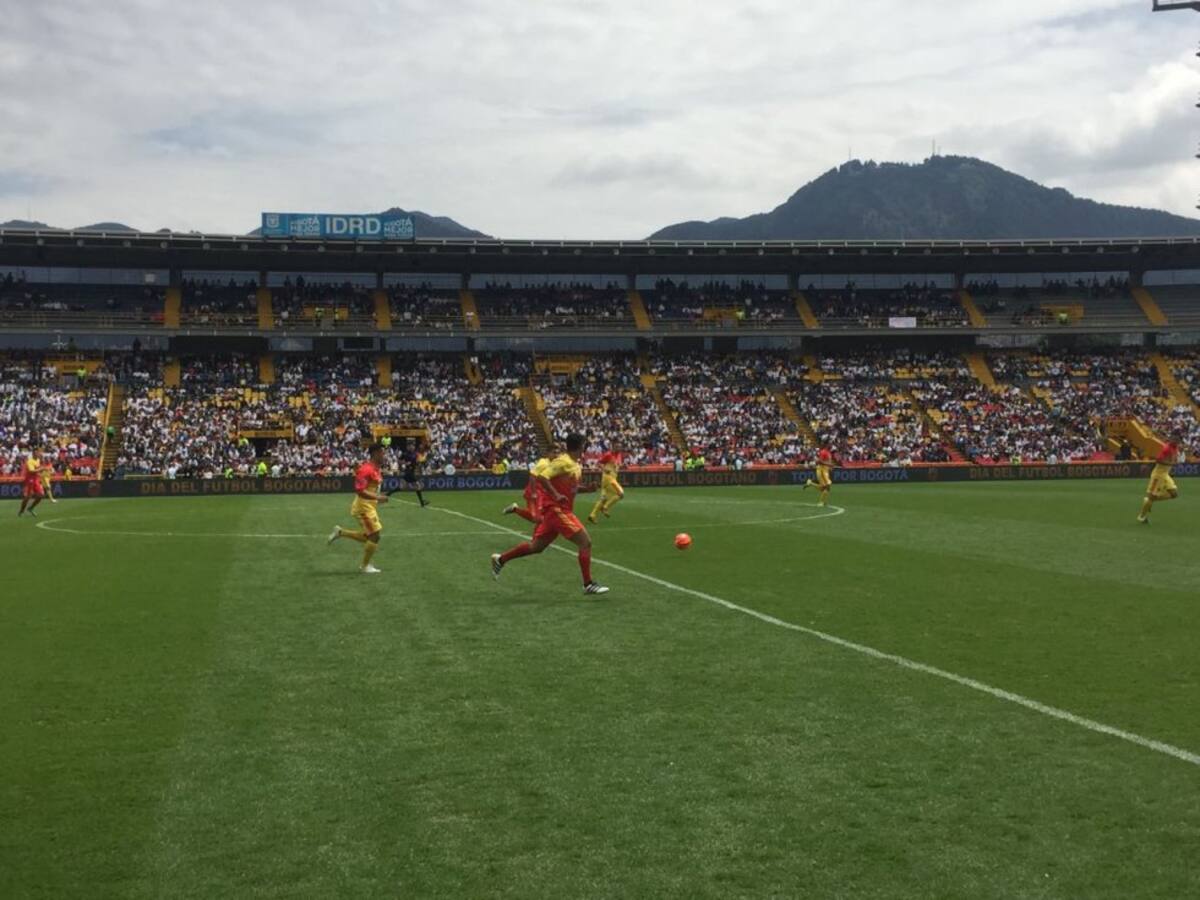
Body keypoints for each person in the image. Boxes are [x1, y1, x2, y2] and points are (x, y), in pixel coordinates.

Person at [491, 433, 609, 595]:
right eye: (584, 445)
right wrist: (555, 495)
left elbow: (570, 488)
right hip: (557, 510)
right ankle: (588, 584)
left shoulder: (575, 465)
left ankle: (501, 559)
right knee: (585, 542)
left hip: (558, 511)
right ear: (581, 446)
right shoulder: (563, 461)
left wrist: (586, 489)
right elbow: (542, 477)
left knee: (536, 547)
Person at [327, 443, 389, 573]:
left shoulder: (376, 468)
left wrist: (377, 498)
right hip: (363, 507)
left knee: (370, 536)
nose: (384, 455)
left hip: (369, 506)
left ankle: (341, 532)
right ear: (375, 453)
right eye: (382, 453)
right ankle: (365, 566)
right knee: (375, 536)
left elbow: (371, 488)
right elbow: (359, 490)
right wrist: (378, 497)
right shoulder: (366, 469)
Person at [1137, 434, 1183, 525]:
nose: (1176, 442)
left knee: (1174, 494)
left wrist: (1174, 461)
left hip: (1165, 475)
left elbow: (1173, 458)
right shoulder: (1166, 449)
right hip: (1158, 475)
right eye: (1174, 440)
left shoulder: (1175, 447)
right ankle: (1141, 516)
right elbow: (1158, 460)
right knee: (1151, 495)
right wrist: (1170, 463)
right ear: (1172, 440)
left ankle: (1150, 500)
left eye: (1177, 441)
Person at [503, 457, 549, 523]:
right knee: (536, 518)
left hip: (542, 492)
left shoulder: (554, 464)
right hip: (534, 492)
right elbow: (532, 476)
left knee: (539, 518)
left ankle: (515, 509)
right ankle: (515, 509)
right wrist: (533, 492)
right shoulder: (544, 463)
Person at [588, 447, 624, 523]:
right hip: (609, 478)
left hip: (608, 479)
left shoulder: (619, 455)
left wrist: (619, 467)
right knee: (621, 494)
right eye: (616, 445)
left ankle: (592, 515)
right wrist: (604, 469)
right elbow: (599, 463)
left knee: (603, 498)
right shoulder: (608, 455)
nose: (618, 447)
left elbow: (616, 466)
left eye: (620, 446)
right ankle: (605, 507)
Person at [400, 438, 430, 507]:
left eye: (413, 446)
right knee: (417, 486)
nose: (412, 447)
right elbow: (400, 461)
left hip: (411, 472)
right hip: (409, 472)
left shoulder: (415, 454)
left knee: (403, 487)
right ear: (408, 447)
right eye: (410, 446)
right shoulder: (405, 453)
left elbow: (417, 461)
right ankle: (422, 502)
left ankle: (388, 494)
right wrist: (405, 463)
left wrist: (417, 463)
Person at [18, 448, 45, 517]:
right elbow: (31, 471)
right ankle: (22, 510)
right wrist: (40, 469)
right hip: (30, 480)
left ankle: (31, 508)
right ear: (33, 454)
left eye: (38, 453)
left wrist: (40, 473)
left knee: (41, 495)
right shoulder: (30, 461)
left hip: (36, 479)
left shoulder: (38, 460)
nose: (37, 454)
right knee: (28, 496)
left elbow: (37, 470)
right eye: (36, 453)